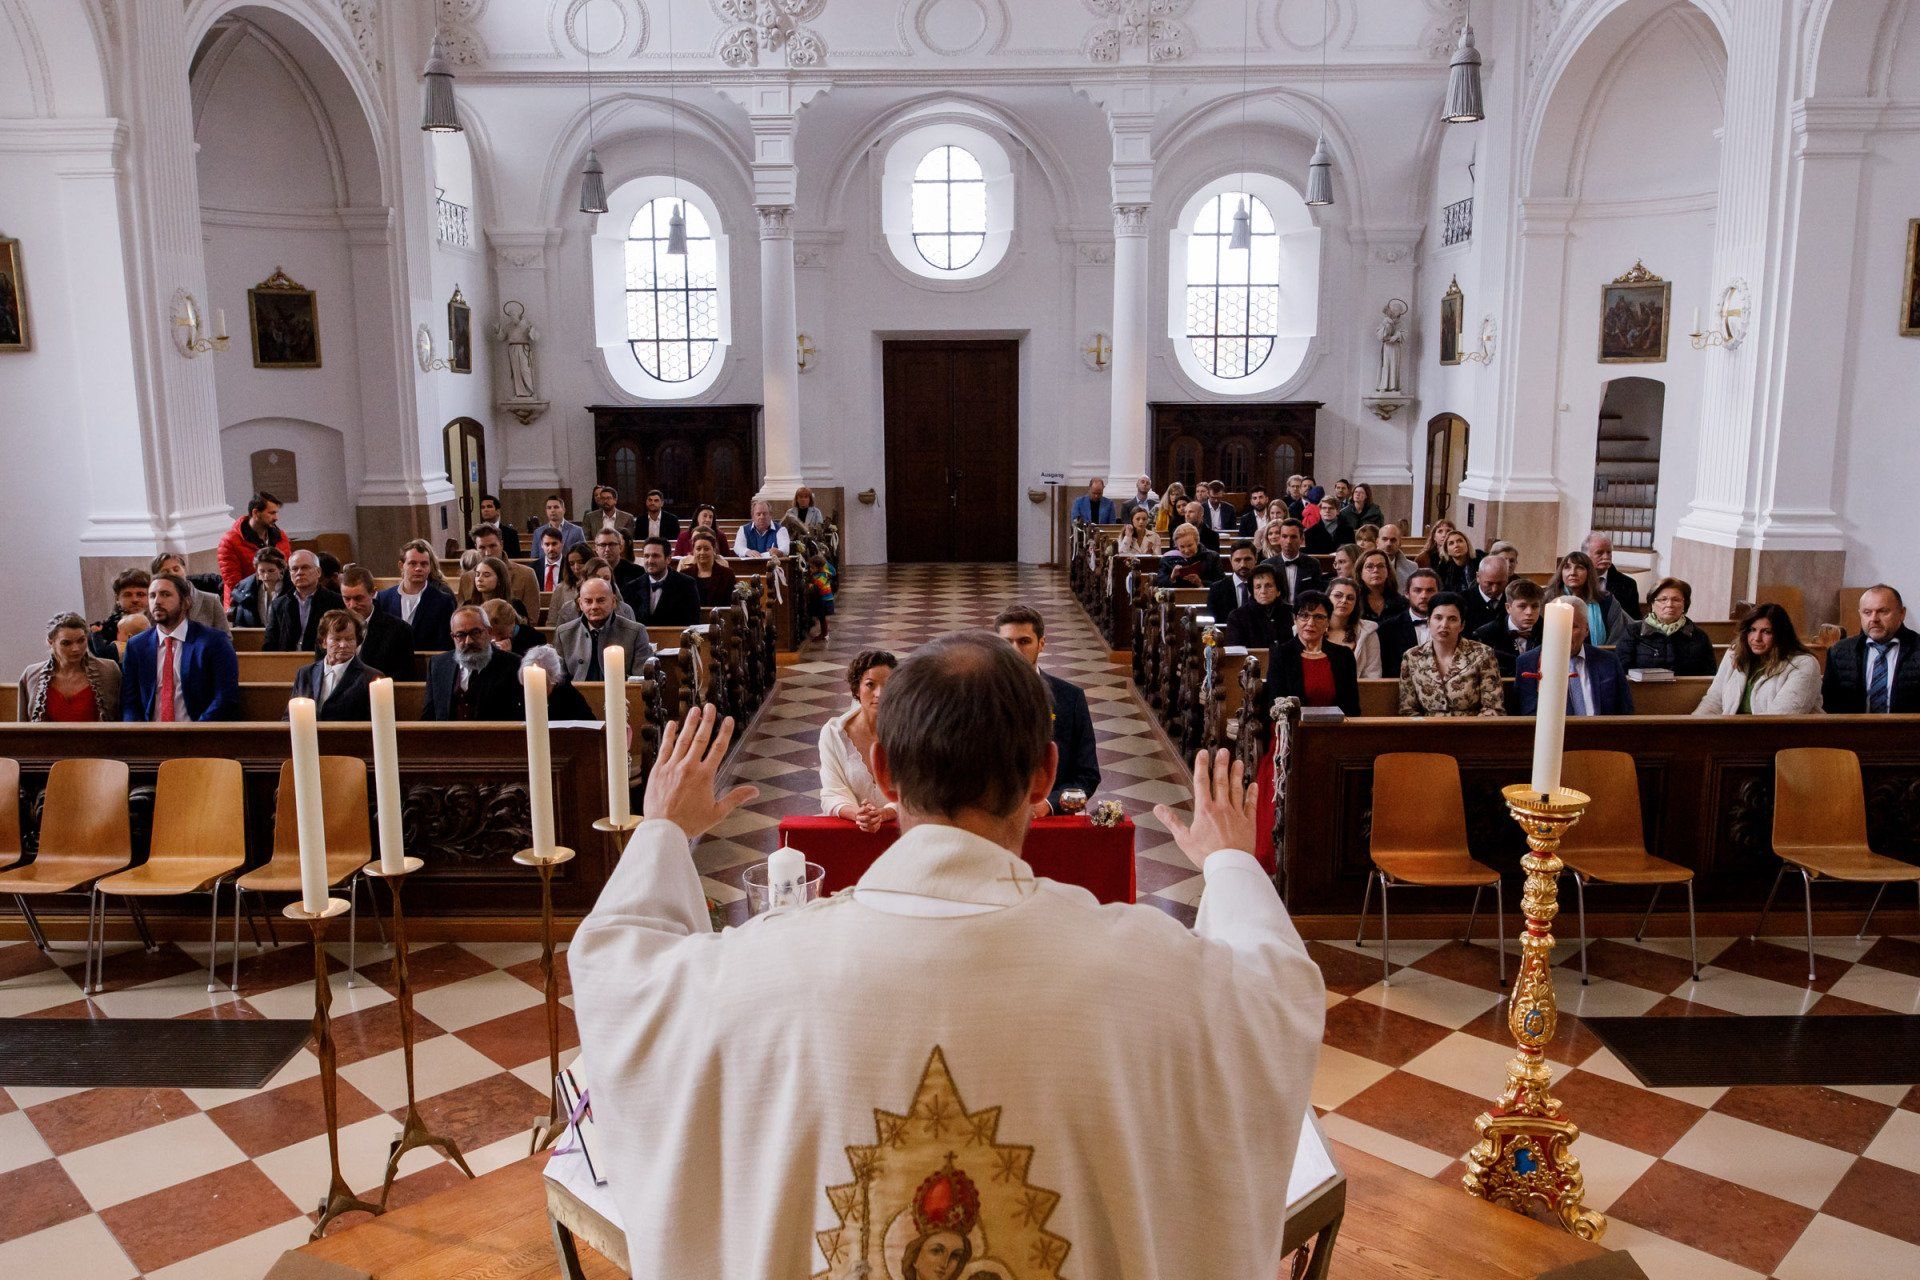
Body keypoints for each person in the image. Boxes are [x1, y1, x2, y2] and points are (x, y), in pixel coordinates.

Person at [571, 677, 1323, 1280]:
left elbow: (618, 973)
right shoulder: (1149, 967)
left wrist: (665, 830)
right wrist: (1228, 862)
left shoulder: (753, 968)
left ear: (887, 772)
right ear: (1044, 775)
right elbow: (1275, 997)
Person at [996, 605, 1100, 815]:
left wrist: (1049, 804)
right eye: (1008, 642)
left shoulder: (1070, 698)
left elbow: (1087, 774)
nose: (1015, 650)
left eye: (1024, 641)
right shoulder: (978, 697)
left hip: (1050, 821)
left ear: (1041, 644)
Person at [121, 573, 240, 721]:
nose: (157, 601)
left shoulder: (213, 641)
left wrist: (195, 734)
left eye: (165, 595)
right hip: (150, 737)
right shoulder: (136, 645)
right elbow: (130, 701)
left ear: (186, 602)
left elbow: (225, 697)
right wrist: (138, 736)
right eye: (152, 596)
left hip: (199, 734)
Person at [818, 649, 900, 831]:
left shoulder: (909, 731)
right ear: (857, 689)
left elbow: (917, 790)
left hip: (900, 829)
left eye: (887, 685)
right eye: (870, 685)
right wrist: (860, 815)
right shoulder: (833, 733)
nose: (879, 693)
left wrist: (885, 813)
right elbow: (833, 792)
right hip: (850, 830)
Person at [1694, 602, 1822, 716]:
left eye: (1766, 632)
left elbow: (1782, 718)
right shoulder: (1734, 653)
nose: (1756, 638)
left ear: (1781, 635)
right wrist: (1693, 728)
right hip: (1730, 732)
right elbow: (1714, 699)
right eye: (1752, 630)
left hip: (1779, 737)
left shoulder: (1804, 664)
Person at [1396, 592, 1503, 717]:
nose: (1444, 625)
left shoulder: (1482, 654)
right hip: (1426, 732)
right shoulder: (1412, 656)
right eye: (1438, 618)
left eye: (1452, 619)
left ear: (1462, 625)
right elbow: (1407, 710)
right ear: (1428, 622)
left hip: (1472, 731)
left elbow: (1492, 708)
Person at [1515, 608, 1633, 716]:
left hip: (1603, 735)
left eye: (1572, 626)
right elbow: (1528, 713)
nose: (1564, 633)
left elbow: (1626, 709)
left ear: (1586, 629)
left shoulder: (1608, 660)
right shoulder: (1529, 662)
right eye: (1558, 626)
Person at [1823, 584, 1920, 713]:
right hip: (1854, 731)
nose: (1874, 619)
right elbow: (1829, 706)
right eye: (1867, 612)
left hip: (1909, 731)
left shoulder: (1917, 647)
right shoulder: (1839, 652)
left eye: (1883, 611)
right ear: (1860, 614)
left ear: (1902, 613)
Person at [1262, 591, 1361, 716]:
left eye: (1318, 617)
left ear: (1328, 621)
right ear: (1295, 619)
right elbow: (1275, 703)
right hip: (1293, 729)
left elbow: (1352, 707)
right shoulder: (1281, 654)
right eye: (1304, 616)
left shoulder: (1344, 655)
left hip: (1336, 729)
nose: (1310, 623)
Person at [423, 605, 526, 720]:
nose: (468, 641)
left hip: (494, 736)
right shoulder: (438, 664)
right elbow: (429, 716)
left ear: (489, 632)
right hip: (447, 737)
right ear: (453, 637)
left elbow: (520, 716)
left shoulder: (513, 665)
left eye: (475, 632)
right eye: (461, 635)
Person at [19, 613, 121, 722]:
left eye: (81, 640)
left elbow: (121, 716)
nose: (76, 649)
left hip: (98, 738)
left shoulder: (108, 670)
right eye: (66, 643)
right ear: (50, 643)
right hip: (47, 739)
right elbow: (23, 727)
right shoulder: (32, 675)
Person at [555, 578, 652, 683]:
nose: (594, 606)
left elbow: (640, 681)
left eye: (601, 600)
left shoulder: (635, 632)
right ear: (580, 604)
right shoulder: (564, 633)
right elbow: (560, 679)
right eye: (588, 601)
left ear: (613, 602)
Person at [290, 610, 376, 722]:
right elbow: (290, 716)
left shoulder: (370, 677)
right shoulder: (305, 673)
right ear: (324, 642)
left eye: (349, 639)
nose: (343, 645)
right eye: (337, 639)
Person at [1618, 578, 1716, 675]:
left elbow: (1709, 674)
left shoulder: (1698, 635)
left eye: (1676, 600)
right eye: (1663, 599)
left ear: (1684, 605)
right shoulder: (1633, 632)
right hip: (1643, 690)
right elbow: (1621, 670)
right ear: (1652, 604)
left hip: (1686, 690)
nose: (1669, 604)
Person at [338, 563, 415, 681]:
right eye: (347, 599)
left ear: (373, 593)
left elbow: (403, 676)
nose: (352, 605)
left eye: (358, 598)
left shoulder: (399, 630)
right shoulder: (331, 628)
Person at [377, 540, 457, 651]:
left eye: (424, 564)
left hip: (428, 663)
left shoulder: (443, 601)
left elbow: (446, 645)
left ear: (429, 567)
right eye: (412, 563)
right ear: (401, 565)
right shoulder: (383, 598)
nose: (418, 568)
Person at [215, 492, 290, 603]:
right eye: (271, 513)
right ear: (256, 513)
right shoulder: (229, 541)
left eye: (276, 513)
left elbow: (287, 570)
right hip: (245, 602)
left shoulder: (280, 536)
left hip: (278, 599)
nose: (276, 518)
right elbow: (235, 583)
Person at [264, 549, 344, 653]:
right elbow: (270, 643)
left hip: (321, 663)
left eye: (305, 568)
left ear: (318, 572)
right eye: (294, 569)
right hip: (286, 662)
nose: (299, 573)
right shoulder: (278, 604)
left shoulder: (336, 601)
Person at [1545, 550, 1631, 646]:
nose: (1572, 572)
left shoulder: (1607, 601)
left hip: (1599, 657)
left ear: (1589, 573)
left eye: (1579, 568)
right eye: (1567, 567)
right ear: (1561, 572)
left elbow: (1616, 638)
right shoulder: (1549, 600)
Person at [463, 526, 542, 622]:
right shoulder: (467, 578)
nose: (488, 553)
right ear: (476, 547)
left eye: (492, 546)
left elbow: (531, 619)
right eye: (482, 547)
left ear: (501, 544)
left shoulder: (526, 574)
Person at [1474, 579, 1545, 679]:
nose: (1529, 612)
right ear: (1508, 608)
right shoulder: (1486, 635)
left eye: (1535, 606)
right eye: (1522, 606)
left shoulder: (1548, 632)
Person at [624, 537, 703, 627]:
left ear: (668, 559)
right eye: (646, 556)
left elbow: (693, 623)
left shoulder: (686, 584)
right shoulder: (632, 587)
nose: (650, 561)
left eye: (655, 556)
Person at [1377, 568, 1440, 678]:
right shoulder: (1388, 629)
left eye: (1430, 590)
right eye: (1417, 590)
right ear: (1406, 593)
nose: (1424, 596)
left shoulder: (1452, 625)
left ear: (1439, 593)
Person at [149, 552, 230, 633]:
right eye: (166, 572)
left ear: (184, 569)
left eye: (176, 569)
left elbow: (226, 638)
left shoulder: (211, 601)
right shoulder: (154, 604)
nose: (173, 574)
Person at [1324, 576, 1383, 678]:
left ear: (1356, 603)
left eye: (1350, 598)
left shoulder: (1368, 632)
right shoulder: (1309, 627)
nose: (1344, 601)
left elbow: (1373, 675)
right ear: (1327, 598)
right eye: (1338, 596)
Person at [523, 643, 596, 720]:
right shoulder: (518, 691)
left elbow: (589, 725)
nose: (535, 687)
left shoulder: (569, 696)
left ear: (554, 679)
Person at [1262, 519, 1326, 604]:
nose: (1288, 541)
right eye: (1284, 536)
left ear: (1301, 539)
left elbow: (1317, 595)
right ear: (1280, 538)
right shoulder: (1267, 565)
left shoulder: (1313, 564)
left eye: (1293, 537)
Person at [90, 569, 150, 660]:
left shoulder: (160, 623)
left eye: (140, 594)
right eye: (128, 595)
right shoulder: (105, 631)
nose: (135, 600)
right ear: (117, 598)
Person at [1222, 565, 1286, 650]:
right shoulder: (1237, 616)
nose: (1263, 591)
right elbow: (1236, 654)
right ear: (1252, 591)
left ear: (1278, 591)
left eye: (1268, 586)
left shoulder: (1290, 613)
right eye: (1258, 587)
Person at [1582, 532, 1642, 621]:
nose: (1606, 557)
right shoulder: (1576, 579)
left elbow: (1634, 622)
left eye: (1609, 552)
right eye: (1600, 553)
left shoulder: (1628, 584)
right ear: (1586, 556)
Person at [227, 547, 287, 629]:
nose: (266, 575)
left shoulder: (292, 589)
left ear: (280, 569)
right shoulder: (245, 590)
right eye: (262, 571)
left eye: (271, 571)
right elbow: (241, 624)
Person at [462, 555, 528, 625]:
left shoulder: (515, 605)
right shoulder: (468, 605)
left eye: (486, 575)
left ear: (499, 579)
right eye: (477, 575)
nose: (479, 579)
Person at [1459, 553, 1511, 636]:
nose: (1494, 589)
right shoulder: (1461, 601)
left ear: (1507, 578)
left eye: (1500, 583)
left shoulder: (1514, 599)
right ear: (1478, 577)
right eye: (1489, 583)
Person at [1156, 523, 1221, 587]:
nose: (1186, 550)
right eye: (1182, 547)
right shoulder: (1167, 558)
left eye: (1189, 545)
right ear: (1177, 546)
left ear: (1197, 541)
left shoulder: (1212, 557)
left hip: (1204, 596)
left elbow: (1221, 584)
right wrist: (1172, 578)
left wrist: (1200, 582)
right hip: (1177, 596)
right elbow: (1159, 582)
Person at [1206, 545, 1260, 621]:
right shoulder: (1217, 588)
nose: (1243, 565)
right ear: (1230, 560)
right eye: (1237, 560)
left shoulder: (1265, 586)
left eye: (1247, 559)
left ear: (1256, 559)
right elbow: (1213, 621)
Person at [1354, 549, 1405, 624]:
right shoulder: (1354, 601)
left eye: (1381, 566)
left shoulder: (1401, 603)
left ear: (1388, 571)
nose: (1375, 570)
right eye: (1369, 566)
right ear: (1360, 572)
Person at [529, 525, 570, 600]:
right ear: (542, 545)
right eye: (547, 544)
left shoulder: (569, 566)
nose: (551, 548)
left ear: (562, 544)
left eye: (554, 544)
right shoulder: (533, 567)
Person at [1435, 529, 1480, 596]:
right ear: (1446, 550)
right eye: (1451, 543)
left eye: (1460, 541)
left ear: (1467, 544)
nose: (1456, 545)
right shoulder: (1443, 568)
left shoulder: (1480, 562)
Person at [1376, 524, 1417, 591]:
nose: (1388, 544)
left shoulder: (1412, 567)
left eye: (1393, 540)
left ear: (1400, 543)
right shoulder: (1365, 564)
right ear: (1377, 542)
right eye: (1384, 539)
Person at [806, 552, 836, 639]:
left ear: (819, 567)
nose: (811, 569)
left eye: (812, 568)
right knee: (821, 617)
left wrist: (810, 585)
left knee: (822, 617)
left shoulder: (823, 575)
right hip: (822, 599)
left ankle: (825, 633)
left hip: (825, 600)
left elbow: (818, 586)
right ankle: (823, 633)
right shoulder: (817, 574)